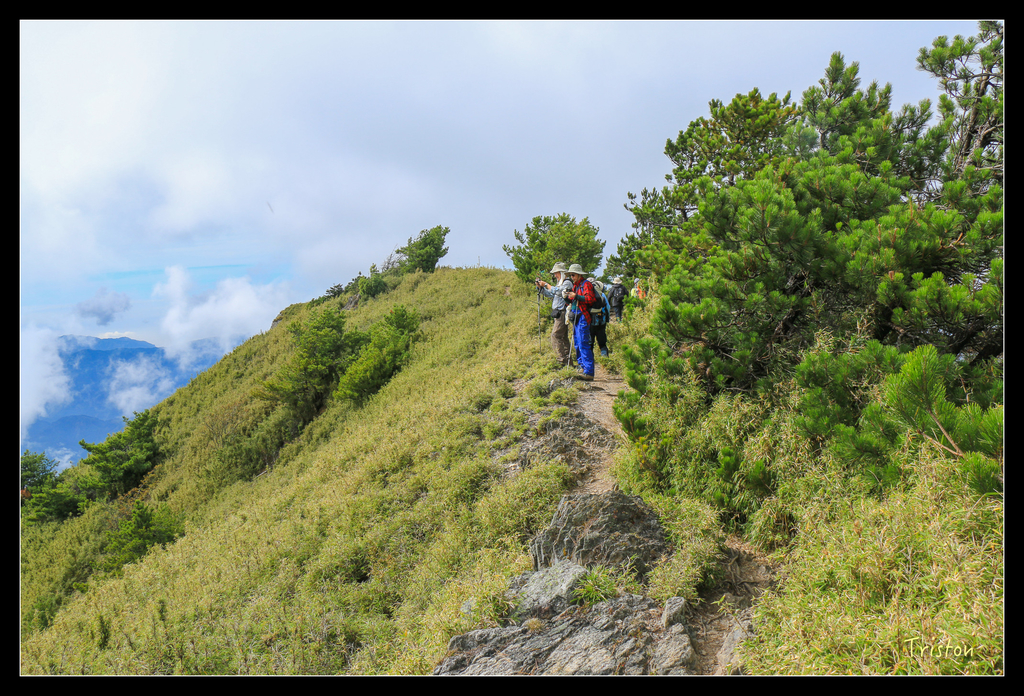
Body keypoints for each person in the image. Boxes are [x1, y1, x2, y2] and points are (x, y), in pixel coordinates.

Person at [562, 263, 598, 380]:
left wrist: (576, 296)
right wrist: (566, 297)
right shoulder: (575, 286)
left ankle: (589, 372)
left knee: (583, 343)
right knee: (577, 344)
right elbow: (571, 301)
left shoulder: (585, 284)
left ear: (578, 274)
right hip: (576, 316)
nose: (571, 277)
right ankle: (582, 367)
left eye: (573, 275)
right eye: (570, 275)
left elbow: (590, 299)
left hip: (583, 316)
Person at [534, 262, 573, 366]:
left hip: (562, 312)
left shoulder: (567, 283)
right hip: (559, 313)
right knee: (563, 337)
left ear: (562, 272)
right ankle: (568, 362)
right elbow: (551, 293)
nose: (555, 275)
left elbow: (559, 292)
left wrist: (546, 285)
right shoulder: (560, 283)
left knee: (555, 335)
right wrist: (541, 288)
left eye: (557, 273)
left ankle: (562, 360)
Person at [589, 280, 611, 357]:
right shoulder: (602, 294)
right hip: (601, 321)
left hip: (590, 322)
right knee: (602, 342)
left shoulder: (587, 294)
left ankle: (590, 361)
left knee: (590, 343)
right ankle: (604, 358)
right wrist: (607, 319)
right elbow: (608, 307)